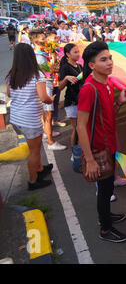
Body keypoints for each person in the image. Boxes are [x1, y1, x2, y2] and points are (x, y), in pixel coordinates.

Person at [77, 41, 126, 243]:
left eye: (110, 58)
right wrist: (89, 159)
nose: (109, 63)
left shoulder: (107, 85)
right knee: (104, 189)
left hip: (109, 147)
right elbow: (80, 126)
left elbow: (106, 116)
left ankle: (106, 216)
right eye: (103, 59)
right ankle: (106, 229)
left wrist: (118, 103)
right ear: (91, 65)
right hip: (98, 149)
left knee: (108, 188)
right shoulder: (89, 89)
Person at [6, 43, 54, 190]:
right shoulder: (36, 75)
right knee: (35, 150)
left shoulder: (11, 74)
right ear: (31, 57)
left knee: (33, 147)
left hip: (16, 118)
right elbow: (43, 97)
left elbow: (9, 94)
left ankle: (39, 168)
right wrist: (51, 99)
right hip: (30, 119)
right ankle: (33, 181)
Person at [29, 29, 67, 151]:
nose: (45, 40)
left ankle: (47, 131)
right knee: (48, 114)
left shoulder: (42, 53)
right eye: (42, 38)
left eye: (45, 38)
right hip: (45, 86)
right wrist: (55, 61)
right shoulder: (39, 57)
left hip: (47, 84)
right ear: (35, 41)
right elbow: (49, 71)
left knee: (46, 114)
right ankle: (51, 142)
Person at [58, 43, 82, 146]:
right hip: (72, 101)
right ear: (68, 54)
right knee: (77, 130)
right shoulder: (65, 68)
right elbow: (60, 87)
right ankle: (75, 154)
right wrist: (66, 78)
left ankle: (81, 152)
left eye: (78, 51)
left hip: (81, 100)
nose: (78, 54)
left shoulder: (80, 66)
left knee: (82, 129)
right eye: (75, 52)